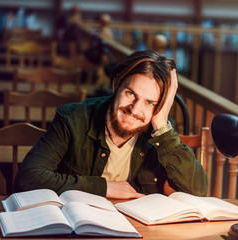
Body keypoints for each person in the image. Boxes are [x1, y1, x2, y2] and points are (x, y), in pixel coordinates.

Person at [14, 50, 208, 199]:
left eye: (150, 102)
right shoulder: (73, 118)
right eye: (131, 94)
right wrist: (104, 187)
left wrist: (161, 126)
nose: (135, 109)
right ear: (116, 85)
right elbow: (28, 178)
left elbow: (198, 191)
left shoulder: (160, 132)